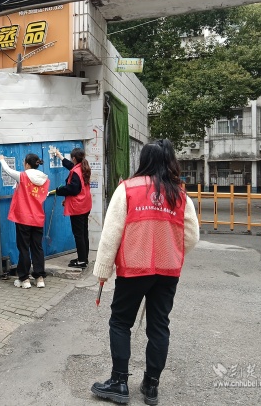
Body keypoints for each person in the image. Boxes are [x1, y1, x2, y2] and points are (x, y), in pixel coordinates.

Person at [90, 139, 199, 405]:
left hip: (134, 269)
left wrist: (103, 269)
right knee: (159, 327)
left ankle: (119, 382)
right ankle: (151, 386)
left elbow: (112, 233)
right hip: (168, 270)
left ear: (144, 160)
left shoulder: (128, 189)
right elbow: (192, 236)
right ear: (170, 160)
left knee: (120, 322)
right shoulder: (180, 195)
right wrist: (171, 249)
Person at [0, 153, 50, 289]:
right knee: (37, 248)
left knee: (24, 248)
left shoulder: (22, 176)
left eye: (24, 162)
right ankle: (39, 278)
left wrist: (2, 160)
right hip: (38, 218)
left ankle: (24, 278)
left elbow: (8, 170)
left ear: (27, 164)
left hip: (23, 218)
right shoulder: (44, 179)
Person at [53, 147, 92, 269]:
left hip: (78, 207)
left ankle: (81, 261)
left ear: (74, 158)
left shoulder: (76, 172)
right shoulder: (83, 167)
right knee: (84, 233)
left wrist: (59, 190)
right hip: (85, 205)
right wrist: (60, 156)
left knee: (78, 234)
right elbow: (70, 166)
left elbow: (73, 189)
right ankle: (84, 258)